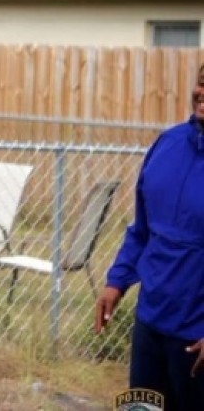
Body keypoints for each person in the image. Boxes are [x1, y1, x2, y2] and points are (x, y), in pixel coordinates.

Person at [95, 64, 204, 411]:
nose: (202, 93)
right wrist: (118, 280)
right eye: (202, 83)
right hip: (151, 322)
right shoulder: (167, 144)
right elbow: (144, 229)